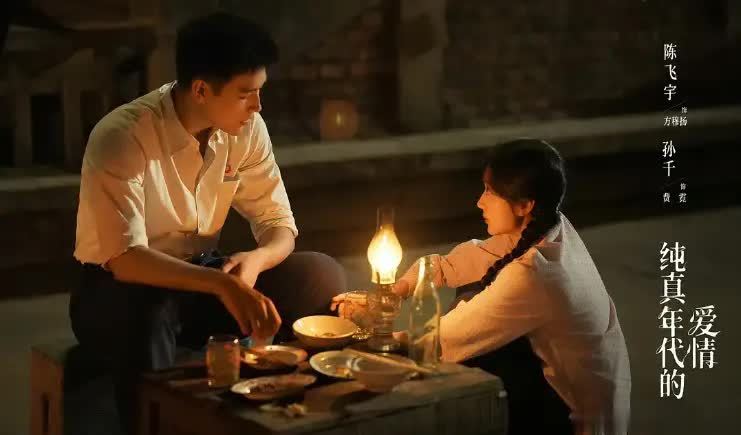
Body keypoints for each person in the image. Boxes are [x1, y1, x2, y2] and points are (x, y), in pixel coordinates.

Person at [69, 12, 346, 432]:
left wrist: (255, 261)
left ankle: (287, 410)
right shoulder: (123, 136)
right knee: (148, 313)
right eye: (245, 94)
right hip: (118, 291)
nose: (257, 106)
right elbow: (126, 259)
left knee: (321, 275)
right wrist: (221, 284)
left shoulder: (246, 129)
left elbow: (278, 223)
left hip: (202, 278)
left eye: (259, 91)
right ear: (200, 89)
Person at [389, 139, 631, 435]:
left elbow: (445, 338)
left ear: (525, 205)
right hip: (582, 385)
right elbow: (466, 260)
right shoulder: (549, 224)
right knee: (474, 287)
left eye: (490, 192)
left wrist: (375, 340)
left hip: (574, 415)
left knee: (465, 352)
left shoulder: (536, 273)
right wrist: (399, 289)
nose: (480, 202)